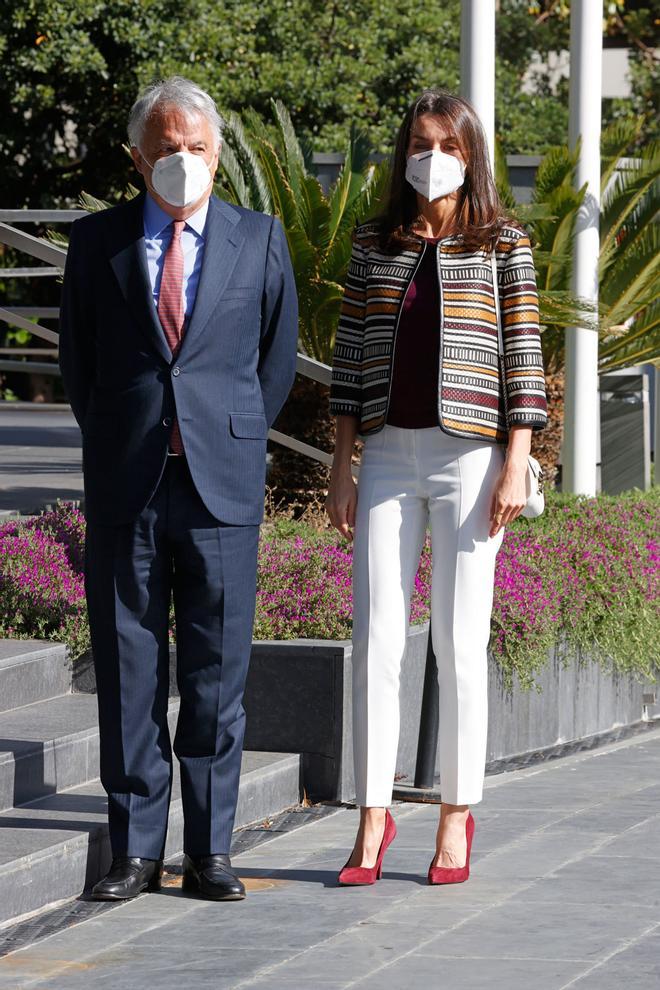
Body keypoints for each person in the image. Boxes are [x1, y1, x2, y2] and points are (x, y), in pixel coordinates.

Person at [59, 76, 298, 902]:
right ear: (139, 157)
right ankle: (135, 851)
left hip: (220, 485)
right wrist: (127, 437)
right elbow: (78, 367)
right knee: (128, 669)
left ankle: (210, 850)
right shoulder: (98, 244)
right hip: (127, 481)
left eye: (197, 149)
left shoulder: (260, 239)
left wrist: (224, 433)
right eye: (168, 150)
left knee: (214, 674)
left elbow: (272, 365)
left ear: (219, 152)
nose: (184, 162)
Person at [326, 89, 547, 886]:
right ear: (403, 150)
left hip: (470, 456)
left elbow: (524, 352)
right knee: (377, 640)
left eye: (445, 142)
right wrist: (340, 466)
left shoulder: (502, 242)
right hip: (385, 453)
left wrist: (517, 459)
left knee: (459, 644)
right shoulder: (373, 242)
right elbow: (350, 361)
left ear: (469, 151)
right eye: (419, 141)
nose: (431, 155)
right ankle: (372, 818)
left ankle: (456, 817)